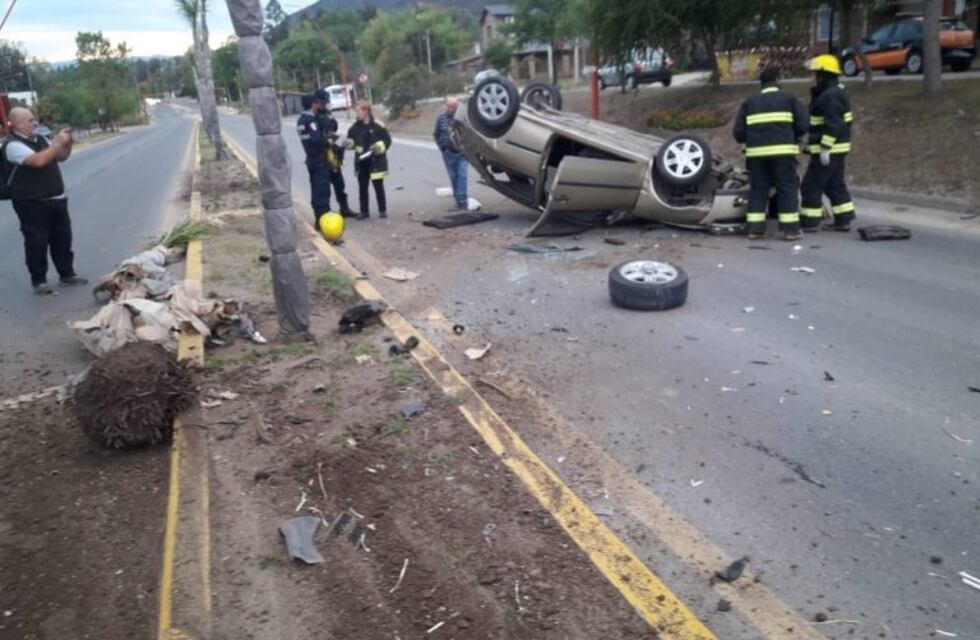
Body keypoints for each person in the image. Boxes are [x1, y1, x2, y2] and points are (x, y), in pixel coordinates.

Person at [2, 107, 87, 294]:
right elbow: (38, 161)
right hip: (31, 203)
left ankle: (67, 274)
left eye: (34, 120)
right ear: (16, 124)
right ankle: (39, 280)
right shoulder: (12, 145)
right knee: (37, 242)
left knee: (62, 239)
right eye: (29, 120)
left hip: (56, 199)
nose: (34, 123)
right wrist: (57, 143)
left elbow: (60, 157)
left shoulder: (41, 139)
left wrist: (67, 144)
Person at [732, 65, 808, 241]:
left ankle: (755, 229)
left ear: (762, 83)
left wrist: (748, 144)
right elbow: (803, 125)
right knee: (786, 188)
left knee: (759, 189)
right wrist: (794, 137)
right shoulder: (789, 98)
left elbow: (739, 132)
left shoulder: (749, 102)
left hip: (757, 155)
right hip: (783, 153)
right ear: (778, 80)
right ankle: (791, 230)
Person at [800, 54, 855, 233]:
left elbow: (833, 125)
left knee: (811, 185)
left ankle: (810, 221)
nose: (813, 77)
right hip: (836, 149)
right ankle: (843, 219)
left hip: (831, 150)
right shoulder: (832, 92)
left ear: (824, 74)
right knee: (834, 183)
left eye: (816, 73)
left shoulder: (830, 95)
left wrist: (824, 149)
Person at [346, 101, 391, 220]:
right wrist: (348, 144)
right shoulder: (354, 128)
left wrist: (378, 147)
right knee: (362, 187)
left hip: (375, 160)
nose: (357, 113)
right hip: (362, 162)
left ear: (366, 111)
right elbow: (350, 141)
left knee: (378, 186)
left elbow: (387, 141)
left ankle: (382, 210)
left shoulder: (378, 126)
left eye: (359, 111)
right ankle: (364, 211)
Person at [312, 89, 353, 218]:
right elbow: (318, 137)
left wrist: (342, 142)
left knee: (339, 183)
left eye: (326, 102)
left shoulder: (328, 114)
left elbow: (333, 129)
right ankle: (324, 214)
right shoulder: (313, 117)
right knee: (323, 188)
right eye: (322, 102)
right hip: (321, 156)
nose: (324, 105)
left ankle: (344, 208)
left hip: (334, 154)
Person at [296, 93, 332, 227]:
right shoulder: (310, 121)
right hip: (318, 160)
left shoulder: (300, 120)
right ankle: (325, 222)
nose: (319, 105)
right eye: (317, 103)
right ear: (313, 104)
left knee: (315, 190)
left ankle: (318, 219)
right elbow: (317, 139)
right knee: (322, 191)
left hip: (310, 159)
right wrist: (328, 143)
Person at [433, 96, 468, 210]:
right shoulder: (441, 118)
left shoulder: (462, 118)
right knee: (453, 177)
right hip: (448, 153)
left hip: (462, 153)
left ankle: (463, 200)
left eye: (452, 107)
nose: (449, 109)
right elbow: (436, 134)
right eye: (448, 106)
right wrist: (441, 147)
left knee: (462, 176)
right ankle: (457, 200)